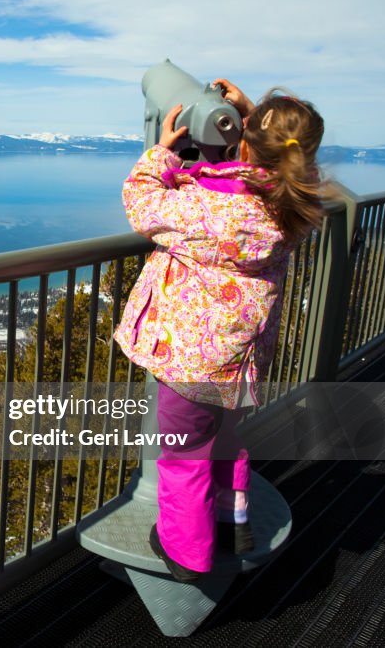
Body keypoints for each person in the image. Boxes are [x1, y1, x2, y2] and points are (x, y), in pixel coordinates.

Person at [114, 79, 329, 583]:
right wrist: (254, 118)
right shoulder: (291, 202)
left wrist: (159, 154)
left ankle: (187, 555)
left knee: (184, 456)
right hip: (237, 363)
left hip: (190, 363)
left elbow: (141, 204)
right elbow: (296, 164)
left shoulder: (209, 209)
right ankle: (233, 526)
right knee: (226, 441)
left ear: (248, 141)